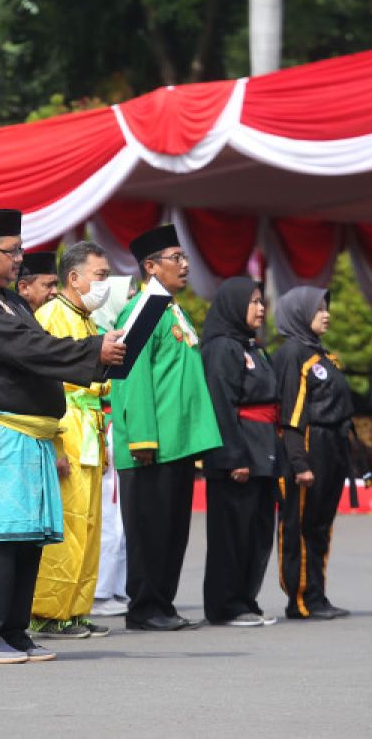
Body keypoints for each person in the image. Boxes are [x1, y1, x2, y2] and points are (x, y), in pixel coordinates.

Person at [0, 209, 125, 664]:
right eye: (14, 251)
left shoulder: (11, 300)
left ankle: (13, 631)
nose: (22, 258)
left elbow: (36, 351)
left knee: (27, 538)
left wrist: (96, 351)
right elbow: (22, 349)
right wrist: (90, 351)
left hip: (29, 433)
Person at [110, 224, 221, 631]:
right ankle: (145, 607)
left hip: (178, 442)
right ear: (151, 267)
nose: (186, 265)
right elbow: (132, 378)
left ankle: (164, 603)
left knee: (173, 531)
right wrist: (141, 437)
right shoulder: (142, 309)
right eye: (177, 258)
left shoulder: (173, 309)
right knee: (150, 531)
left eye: (185, 257)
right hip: (151, 443)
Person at [28, 241, 114, 640]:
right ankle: (48, 611)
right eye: (100, 275)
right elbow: (43, 382)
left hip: (90, 429)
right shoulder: (51, 315)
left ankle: (77, 609)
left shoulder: (87, 320)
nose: (105, 284)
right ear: (74, 278)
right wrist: (55, 444)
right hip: (66, 429)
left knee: (90, 524)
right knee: (66, 525)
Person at [200, 278, 280, 628]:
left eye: (262, 302)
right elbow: (221, 405)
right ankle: (226, 604)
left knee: (257, 531)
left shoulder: (251, 347)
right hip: (239, 452)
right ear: (234, 305)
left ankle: (247, 598)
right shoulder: (222, 349)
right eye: (253, 302)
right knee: (231, 532)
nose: (261, 308)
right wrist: (233, 458)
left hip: (262, 449)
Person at [273, 286, 355, 621]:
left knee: (320, 525)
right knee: (301, 524)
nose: (326, 314)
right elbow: (291, 412)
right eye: (318, 309)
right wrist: (298, 461)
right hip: (307, 446)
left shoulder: (320, 355)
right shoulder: (293, 354)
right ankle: (301, 597)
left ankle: (318, 594)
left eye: (326, 308)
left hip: (332, 447)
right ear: (299, 313)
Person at [90, 275, 135, 618]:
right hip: (99, 430)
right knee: (106, 515)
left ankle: (117, 586)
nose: (132, 299)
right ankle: (102, 589)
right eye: (128, 295)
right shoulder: (96, 340)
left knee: (119, 518)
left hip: (112, 428)